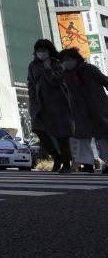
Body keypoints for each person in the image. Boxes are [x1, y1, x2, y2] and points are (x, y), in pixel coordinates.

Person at [27, 39, 73, 173]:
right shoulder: (32, 65)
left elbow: (57, 81)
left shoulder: (57, 64)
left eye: (44, 50)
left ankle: (66, 163)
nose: (41, 53)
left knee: (62, 135)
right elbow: (30, 82)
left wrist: (47, 69)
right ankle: (56, 157)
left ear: (49, 51)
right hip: (39, 105)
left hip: (58, 104)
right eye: (39, 50)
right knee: (39, 131)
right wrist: (32, 99)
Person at [60, 48, 108, 173]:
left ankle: (107, 163)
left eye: (69, 59)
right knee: (82, 137)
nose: (66, 62)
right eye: (64, 60)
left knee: (104, 137)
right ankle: (87, 164)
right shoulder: (65, 75)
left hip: (99, 108)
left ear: (76, 59)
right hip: (80, 110)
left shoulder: (90, 69)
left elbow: (105, 81)